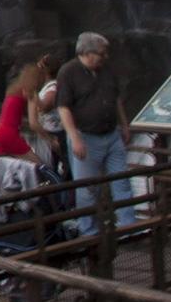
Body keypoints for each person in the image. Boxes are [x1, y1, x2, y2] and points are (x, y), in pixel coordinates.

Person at [55, 33, 133, 235]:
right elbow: (63, 107)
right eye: (101, 53)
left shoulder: (106, 70)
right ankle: (88, 231)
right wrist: (74, 138)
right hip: (86, 137)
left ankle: (130, 227)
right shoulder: (68, 72)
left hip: (112, 134)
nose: (105, 57)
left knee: (122, 181)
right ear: (87, 53)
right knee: (88, 190)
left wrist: (124, 125)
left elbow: (115, 99)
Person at [0, 58, 51, 164]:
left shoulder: (15, 90)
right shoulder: (30, 93)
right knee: (38, 165)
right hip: (10, 133)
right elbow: (33, 123)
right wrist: (50, 139)